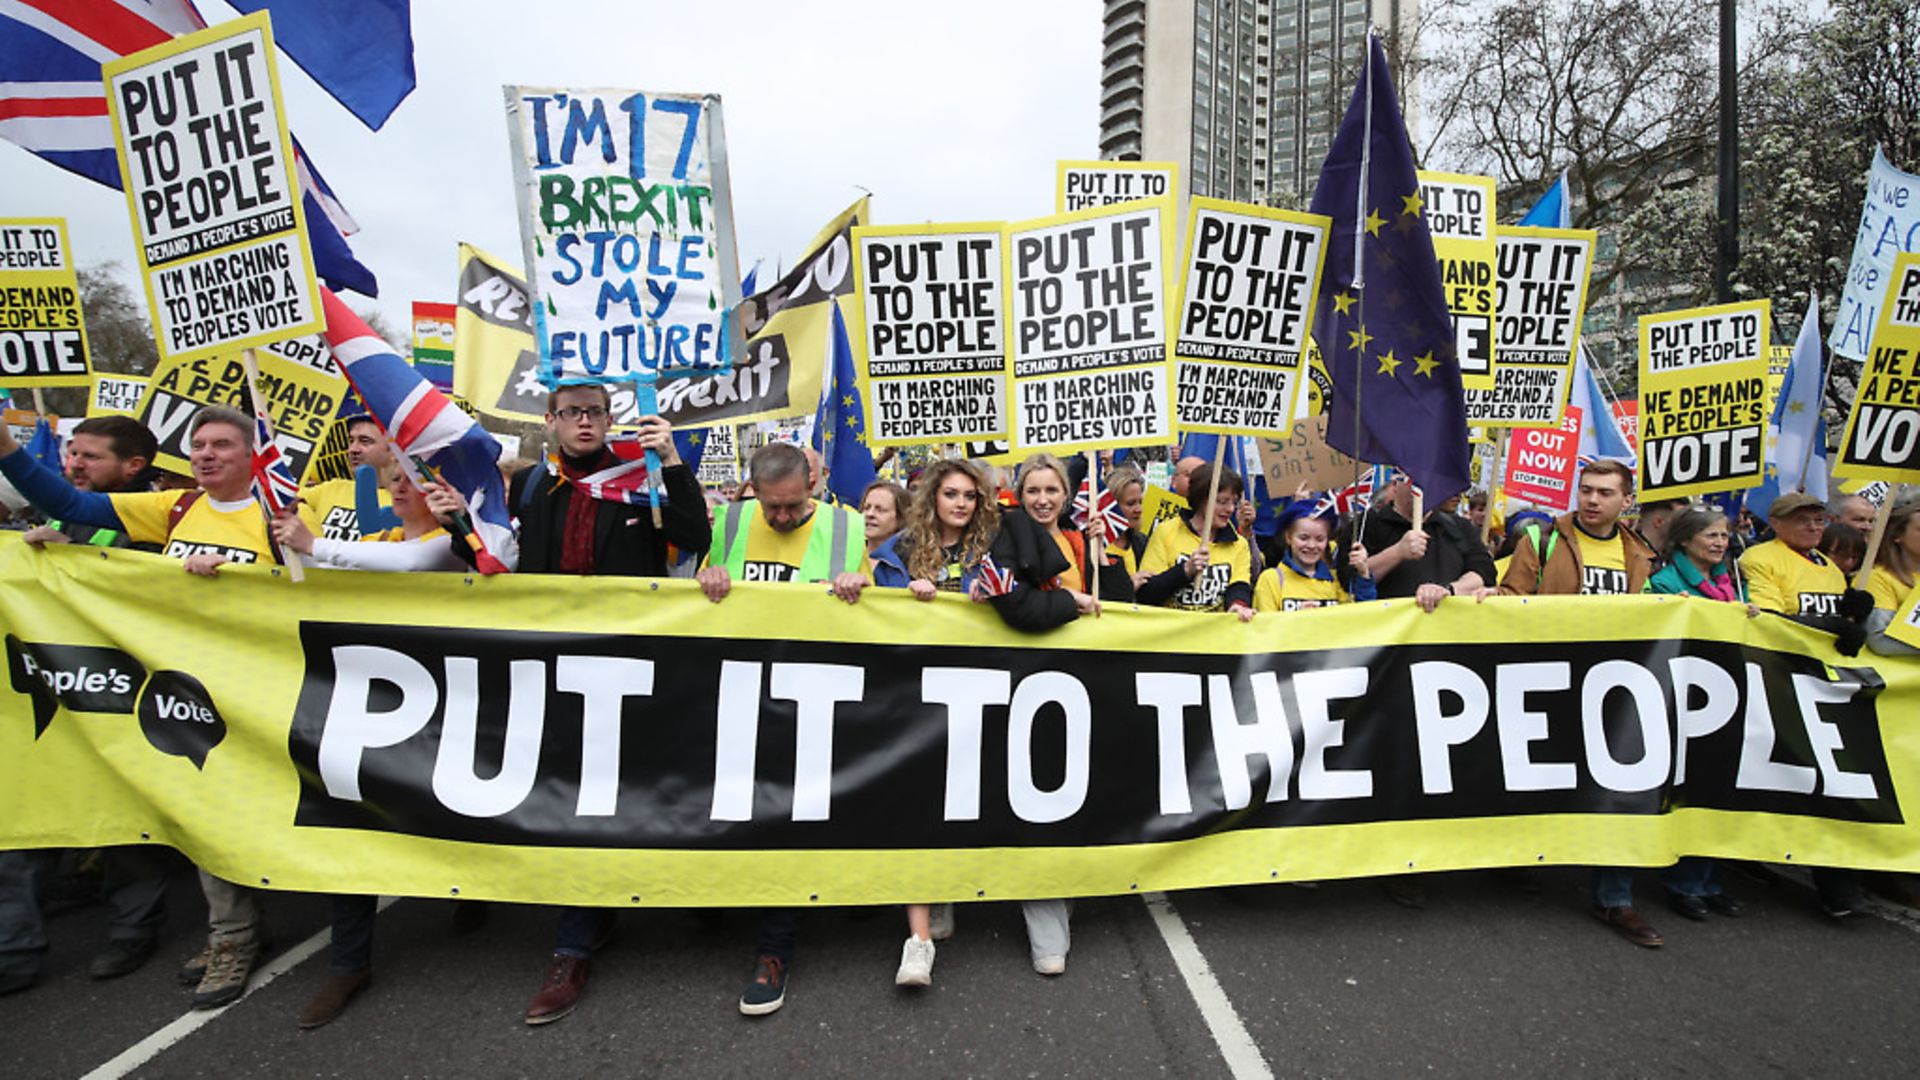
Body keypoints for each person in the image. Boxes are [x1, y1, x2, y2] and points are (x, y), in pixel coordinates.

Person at [0, 405, 283, 1006]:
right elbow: (74, 506)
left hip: (263, 687)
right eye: (198, 444)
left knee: (247, 812)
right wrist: (8, 451)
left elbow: (327, 585)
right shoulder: (173, 508)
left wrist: (240, 573)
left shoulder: (280, 514)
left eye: (223, 445)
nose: (205, 454)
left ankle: (244, 932)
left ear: (252, 455)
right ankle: (231, 933)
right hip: (185, 689)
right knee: (199, 810)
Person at [267, 463, 509, 1028]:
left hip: (453, 702)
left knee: (458, 807)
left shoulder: (447, 544)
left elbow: (413, 563)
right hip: (375, 701)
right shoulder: (374, 539)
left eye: (411, 479)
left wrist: (316, 544)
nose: (399, 489)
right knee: (353, 816)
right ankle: (348, 962)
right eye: (391, 480)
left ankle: (471, 889)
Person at [507, 382, 710, 1026]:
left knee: (630, 790)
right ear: (552, 421)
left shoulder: (640, 477)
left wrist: (671, 461)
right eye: (572, 413)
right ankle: (575, 941)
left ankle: (663, 901)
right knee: (573, 799)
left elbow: (694, 534)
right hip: (556, 667)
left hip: (629, 665)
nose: (585, 422)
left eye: (596, 412)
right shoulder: (536, 487)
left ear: (610, 419)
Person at [0, 417, 173, 996]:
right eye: (70, 453)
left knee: (127, 822)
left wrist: (75, 562)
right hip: (51, 688)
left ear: (133, 468)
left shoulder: (153, 519)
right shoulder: (58, 512)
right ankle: (17, 947)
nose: (73, 464)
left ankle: (131, 930)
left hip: (122, 696)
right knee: (33, 807)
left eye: (89, 457)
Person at [698, 442, 865, 1017]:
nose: (782, 518)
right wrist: (709, 575)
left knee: (788, 825)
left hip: (809, 700)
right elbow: (702, 588)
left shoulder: (848, 527)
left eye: (793, 507)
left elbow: (875, 607)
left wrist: (854, 590)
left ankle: (775, 950)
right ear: (752, 491)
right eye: (772, 507)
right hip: (739, 694)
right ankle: (715, 904)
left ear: (812, 487)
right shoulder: (732, 520)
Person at [1476, 460, 1662, 945]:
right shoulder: (1541, 540)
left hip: (1617, 687)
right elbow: (1512, 604)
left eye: (1604, 492)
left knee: (1623, 785)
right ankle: (1513, 858)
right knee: (1532, 774)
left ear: (1627, 500)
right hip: (1548, 678)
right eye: (1586, 490)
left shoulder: (1641, 553)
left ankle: (1615, 898)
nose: (1593, 499)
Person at [867, 458, 1000, 987]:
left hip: (975, 700)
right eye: (951, 494)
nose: (961, 504)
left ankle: (949, 887)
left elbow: (1018, 604)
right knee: (915, 812)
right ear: (932, 499)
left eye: (970, 495)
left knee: (965, 806)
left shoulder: (989, 552)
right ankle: (917, 941)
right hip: (911, 702)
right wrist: (888, 591)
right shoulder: (898, 552)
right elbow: (865, 598)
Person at [1738, 492, 1875, 918]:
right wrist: (1825, 625)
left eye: (1818, 520)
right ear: (1776, 523)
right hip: (1776, 679)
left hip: (1824, 686)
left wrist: (1854, 618)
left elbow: (1842, 627)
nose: (1813, 527)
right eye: (1802, 520)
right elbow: (1768, 619)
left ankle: (1838, 882)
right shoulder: (1762, 559)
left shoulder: (1829, 567)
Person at [1642, 507, 1752, 922]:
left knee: (1718, 789)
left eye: (1723, 535)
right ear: (1685, 540)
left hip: (1727, 694)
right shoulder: (1665, 582)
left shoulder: (1733, 582)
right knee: (1688, 788)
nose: (1720, 542)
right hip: (1684, 698)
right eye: (1710, 535)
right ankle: (1682, 883)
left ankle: (1709, 879)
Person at [1339, 469, 1492, 615]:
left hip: (1447, 634)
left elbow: (1484, 572)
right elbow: (1350, 580)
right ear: (1395, 485)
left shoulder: (1458, 527)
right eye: (1412, 480)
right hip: (1389, 636)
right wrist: (1397, 552)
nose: (1420, 487)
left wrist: (1448, 590)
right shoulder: (1367, 525)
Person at [1137, 463, 1255, 620]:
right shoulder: (1166, 531)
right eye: (1222, 501)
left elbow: (1239, 586)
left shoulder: (1238, 544)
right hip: (1171, 635)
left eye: (1234, 502)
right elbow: (1147, 594)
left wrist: (1237, 605)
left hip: (1215, 637)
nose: (1230, 509)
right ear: (1201, 499)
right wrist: (1185, 570)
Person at [1252, 499, 1375, 611]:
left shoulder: (1335, 580)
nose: (1311, 545)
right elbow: (1265, 629)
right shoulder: (1271, 579)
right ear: (1288, 537)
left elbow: (1361, 617)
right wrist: (1297, 619)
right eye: (1304, 538)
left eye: (1320, 539)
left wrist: (1363, 573)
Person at [299, 414, 394, 542]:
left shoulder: (406, 501)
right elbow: (281, 502)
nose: (353, 449)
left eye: (365, 441)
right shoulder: (331, 488)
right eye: (351, 441)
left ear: (393, 449)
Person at [1104, 465, 1152, 591]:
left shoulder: (1142, 543)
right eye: (1131, 504)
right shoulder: (1092, 546)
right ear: (1111, 505)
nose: (1139, 509)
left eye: (1140, 502)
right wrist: (1127, 587)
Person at [859, 479, 908, 561]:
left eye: (880, 510)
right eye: (866, 508)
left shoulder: (912, 562)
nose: (869, 514)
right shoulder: (848, 554)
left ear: (900, 517)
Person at [1633, 496, 1691, 560]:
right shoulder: (1631, 555)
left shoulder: (1678, 556)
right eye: (1681, 518)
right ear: (1659, 522)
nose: (1686, 524)